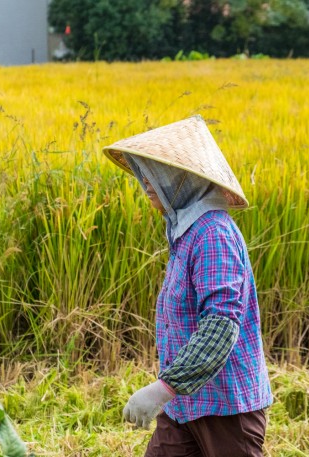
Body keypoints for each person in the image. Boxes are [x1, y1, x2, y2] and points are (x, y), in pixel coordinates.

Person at [102, 116, 273, 457]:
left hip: (226, 410)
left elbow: (220, 325)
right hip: (185, 406)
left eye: (157, 174)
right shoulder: (188, 233)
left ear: (184, 179)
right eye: (144, 174)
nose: (147, 183)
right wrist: (172, 392)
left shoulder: (213, 234)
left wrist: (163, 388)